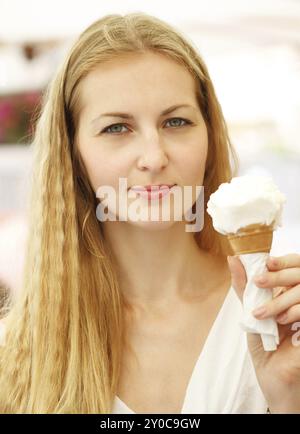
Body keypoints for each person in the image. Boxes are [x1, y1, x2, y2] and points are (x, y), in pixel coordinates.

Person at [0, 12, 300, 414]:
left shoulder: (276, 318)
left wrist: (288, 399)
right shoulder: (15, 353)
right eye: (116, 128)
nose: (154, 157)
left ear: (209, 136)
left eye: (176, 121)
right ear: (72, 154)